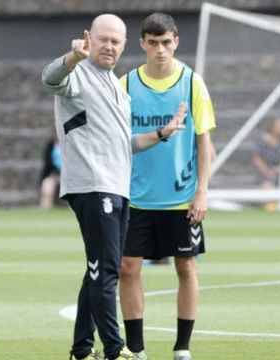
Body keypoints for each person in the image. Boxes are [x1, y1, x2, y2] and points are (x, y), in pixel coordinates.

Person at [40, 14, 187, 360]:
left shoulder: (115, 86)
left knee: (98, 267)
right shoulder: (78, 74)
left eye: (116, 41)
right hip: (93, 185)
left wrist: (162, 134)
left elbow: (123, 144)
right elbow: (49, 79)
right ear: (90, 38)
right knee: (107, 270)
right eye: (103, 39)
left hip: (116, 187)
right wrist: (73, 56)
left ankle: (81, 350)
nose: (109, 46)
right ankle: (114, 350)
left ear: (124, 46)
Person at [118, 13, 216, 360]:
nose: (160, 49)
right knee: (128, 268)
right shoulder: (126, 85)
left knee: (186, 267)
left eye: (166, 42)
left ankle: (182, 347)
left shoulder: (192, 83)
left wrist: (202, 190)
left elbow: (204, 142)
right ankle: (137, 348)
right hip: (135, 196)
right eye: (153, 42)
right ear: (143, 44)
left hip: (180, 197)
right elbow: (116, 139)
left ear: (176, 41)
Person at [250, 117, 280, 212]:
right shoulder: (263, 140)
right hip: (264, 175)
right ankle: (271, 210)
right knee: (268, 186)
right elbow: (256, 159)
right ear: (273, 127)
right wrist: (267, 172)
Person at [38, 132, 61, 209]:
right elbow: (48, 164)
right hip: (54, 175)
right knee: (47, 185)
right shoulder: (51, 145)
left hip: (69, 176)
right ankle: (45, 209)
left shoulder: (70, 145)